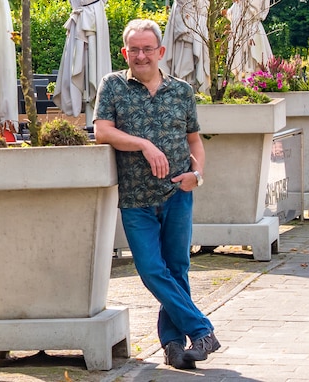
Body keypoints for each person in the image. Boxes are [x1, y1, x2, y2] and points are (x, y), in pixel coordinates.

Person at [93, 19, 221, 370]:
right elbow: (102, 130)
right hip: (136, 199)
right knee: (151, 270)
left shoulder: (181, 91)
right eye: (134, 49)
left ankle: (174, 346)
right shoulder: (113, 86)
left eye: (147, 48)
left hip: (178, 193)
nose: (141, 55)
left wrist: (197, 174)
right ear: (124, 52)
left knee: (177, 269)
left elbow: (194, 139)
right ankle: (203, 330)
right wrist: (144, 145)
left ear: (160, 52)